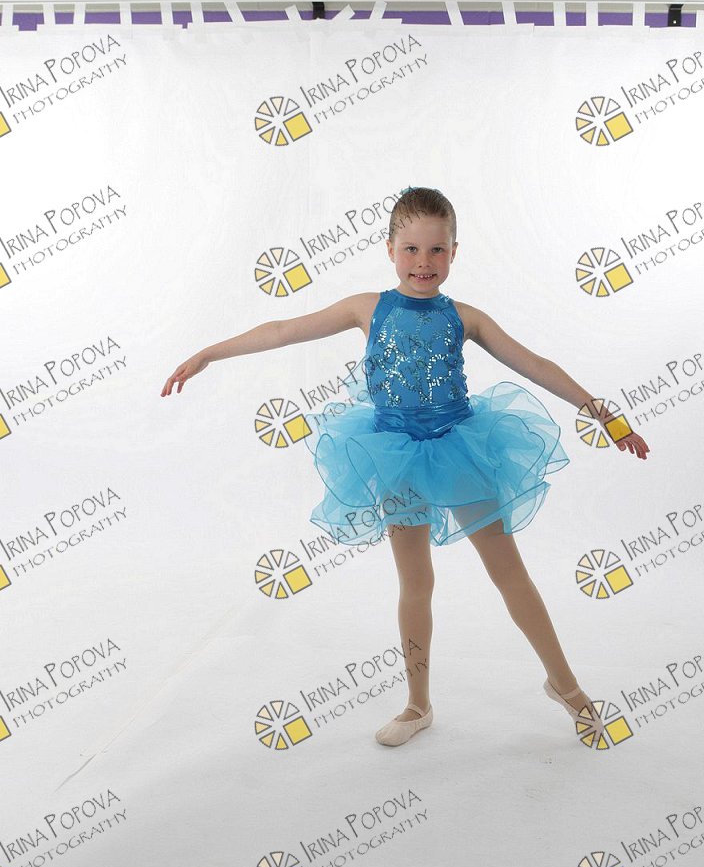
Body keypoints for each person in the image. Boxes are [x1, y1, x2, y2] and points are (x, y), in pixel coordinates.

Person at [162, 186, 650, 748]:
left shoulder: (465, 317)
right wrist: (207, 353)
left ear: (454, 252)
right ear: (390, 250)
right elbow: (282, 329)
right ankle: (418, 704)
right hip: (395, 456)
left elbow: (536, 364)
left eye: (437, 249)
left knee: (509, 573)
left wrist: (602, 414)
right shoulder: (366, 308)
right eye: (411, 249)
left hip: (458, 448)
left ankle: (567, 688)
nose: (424, 262)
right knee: (415, 582)